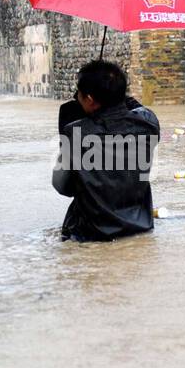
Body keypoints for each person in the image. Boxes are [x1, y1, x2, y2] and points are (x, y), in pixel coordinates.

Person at [52, 60, 160, 242]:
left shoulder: (76, 133)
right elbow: (136, 109)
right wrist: (113, 96)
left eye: (79, 93)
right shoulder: (149, 124)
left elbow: (62, 186)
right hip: (141, 228)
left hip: (90, 235)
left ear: (90, 100)